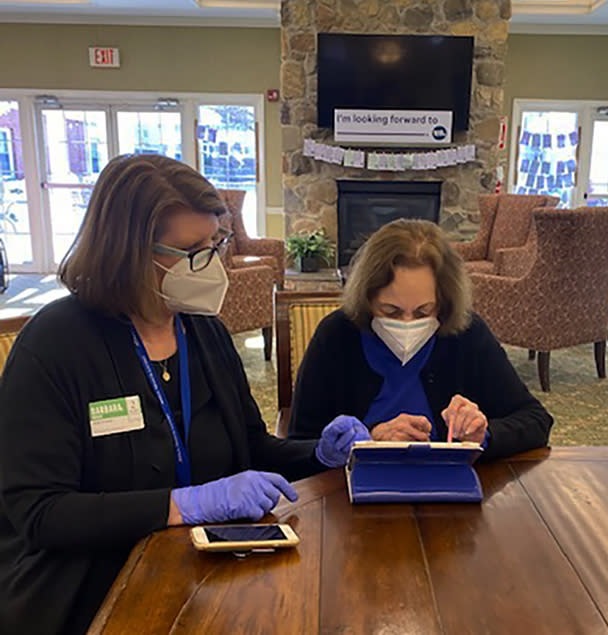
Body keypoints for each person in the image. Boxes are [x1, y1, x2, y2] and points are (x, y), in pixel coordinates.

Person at [0, 154, 369, 635]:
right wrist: (182, 505)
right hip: (91, 588)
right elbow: (40, 514)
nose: (213, 264)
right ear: (130, 251)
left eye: (215, 244)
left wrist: (319, 453)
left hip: (207, 572)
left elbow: (251, 449)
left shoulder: (202, 331)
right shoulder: (55, 345)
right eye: (193, 250)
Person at [288, 219, 553, 459]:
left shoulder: (466, 333)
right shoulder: (336, 335)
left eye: (424, 311)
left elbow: (536, 420)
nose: (407, 323)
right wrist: (367, 441)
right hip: (349, 494)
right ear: (367, 299)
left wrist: (482, 435)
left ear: (444, 303)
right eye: (390, 311)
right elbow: (299, 443)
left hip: (448, 491)